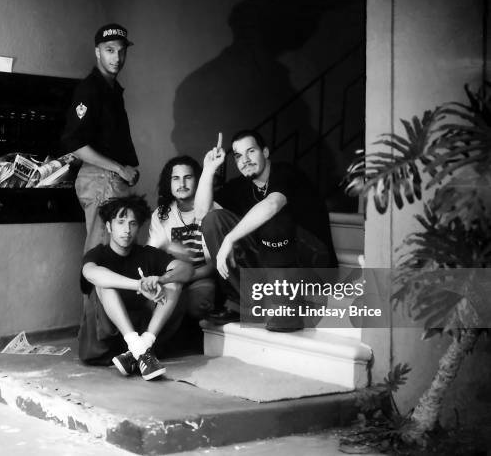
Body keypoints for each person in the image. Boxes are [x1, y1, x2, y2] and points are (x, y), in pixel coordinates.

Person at [194, 130, 337, 328]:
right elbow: (201, 214)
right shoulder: (241, 186)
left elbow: (272, 204)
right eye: (238, 156)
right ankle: (245, 303)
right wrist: (208, 170)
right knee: (213, 220)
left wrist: (230, 239)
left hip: (311, 261)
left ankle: (286, 309)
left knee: (272, 219)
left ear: (266, 152)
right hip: (272, 262)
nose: (245, 160)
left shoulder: (286, 172)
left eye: (251, 151)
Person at [80, 195, 194, 381]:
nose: (127, 230)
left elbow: (186, 270)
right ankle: (139, 348)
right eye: (121, 222)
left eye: (132, 224)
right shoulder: (98, 254)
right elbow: (91, 273)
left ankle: (140, 350)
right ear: (109, 227)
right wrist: (139, 285)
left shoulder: (147, 254)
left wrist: (161, 280)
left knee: (174, 281)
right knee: (104, 284)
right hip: (105, 341)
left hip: (145, 333)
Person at [60, 23, 140, 254]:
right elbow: (73, 143)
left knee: (114, 256)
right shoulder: (90, 89)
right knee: (103, 256)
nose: (117, 57)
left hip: (112, 180)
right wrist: (119, 169)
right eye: (109, 50)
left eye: (121, 50)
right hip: (103, 180)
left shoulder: (112, 89)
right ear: (97, 51)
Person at [147, 156, 219, 324]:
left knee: (198, 302)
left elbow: (212, 266)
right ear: (169, 182)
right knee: (153, 302)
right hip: (171, 277)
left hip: (201, 276)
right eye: (176, 178)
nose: (182, 184)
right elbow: (153, 255)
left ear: (198, 180)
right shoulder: (160, 214)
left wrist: (183, 277)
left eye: (188, 177)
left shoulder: (214, 210)